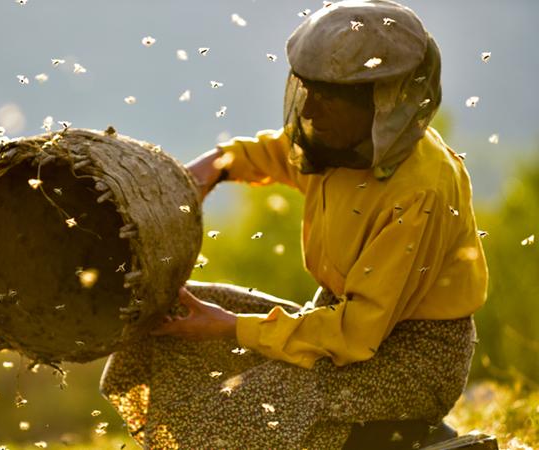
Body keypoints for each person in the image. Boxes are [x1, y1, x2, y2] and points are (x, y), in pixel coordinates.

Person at [100, 1, 489, 449]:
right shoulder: (343, 142)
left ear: (381, 103)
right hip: (342, 330)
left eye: (327, 100)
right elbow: (276, 152)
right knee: (175, 320)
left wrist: (231, 327)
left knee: (242, 405)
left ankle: (408, 438)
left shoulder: (419, 191)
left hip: (407, 362)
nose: (309, 114)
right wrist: (211, 169)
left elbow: (355, 334)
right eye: (308, 93)